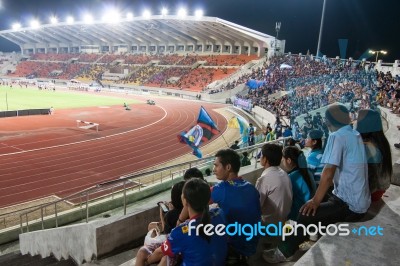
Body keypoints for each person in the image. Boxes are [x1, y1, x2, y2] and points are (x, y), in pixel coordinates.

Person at [264, 104, 370, 263]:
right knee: (315, 208)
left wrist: (315, 201)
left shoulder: (337, 136)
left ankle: (284, 252)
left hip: (350, 204)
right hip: (358, 198)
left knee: (306, 212)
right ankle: (305, 239)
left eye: (327, 119)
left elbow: (328, 174)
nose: (325, 122)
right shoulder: (354, 134)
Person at [159, 179, 227, 266]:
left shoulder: (182, 231)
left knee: (164, 259)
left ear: (185, 201)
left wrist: (147, 261)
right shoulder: (219, 213)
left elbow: (161, 252)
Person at [211, 149, 261, 264]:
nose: (214, 170)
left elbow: (195, 200)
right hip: (253, 243)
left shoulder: (221, 188)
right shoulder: (250, 187)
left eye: (216, 165)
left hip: (236, 247)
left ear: (228, 167)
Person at [135, 181, 185, 266]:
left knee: (142, 250)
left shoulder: (178, 220)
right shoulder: (191, 221)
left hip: (171, 245)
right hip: (172, 243)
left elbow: (167, 233)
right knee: (152, 227)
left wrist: (163, 214)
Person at [356, 109, 392, 201]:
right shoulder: (381, 141)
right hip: (381, 189)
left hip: (372, 193)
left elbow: (369, 180)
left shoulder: (367, 146)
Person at [255, 143, 292, 225]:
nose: (260, 158)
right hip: (284, 220)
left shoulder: (264, 179)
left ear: (265, 159)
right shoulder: (284, 173)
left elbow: (256, 206)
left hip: (270, 223)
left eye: (261, 156)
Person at [281, 146, 316, 221]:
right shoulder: (307, 172)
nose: (282, 162)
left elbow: (284, 200)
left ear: (289, 160)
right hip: (311, 213)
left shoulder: (291, 177)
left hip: (298, 215)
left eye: (283, 160)